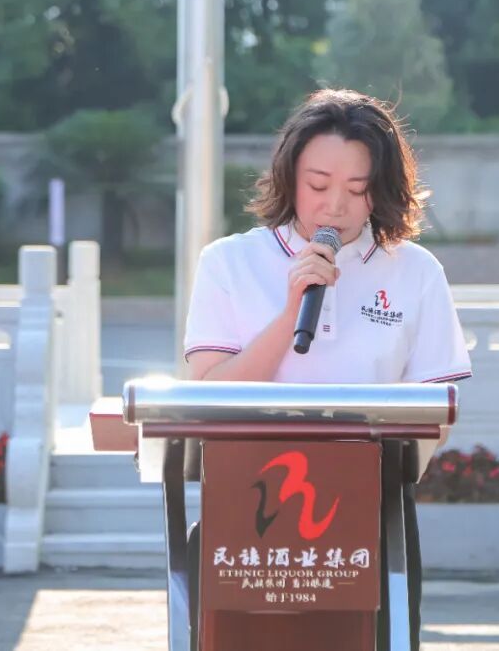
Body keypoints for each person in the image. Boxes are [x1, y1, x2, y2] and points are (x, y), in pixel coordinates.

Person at [183, 88, 471, 649]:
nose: (335, 206)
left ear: (381, 191)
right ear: (288, 177)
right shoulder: (229, 262)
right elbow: (209, 392)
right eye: (318, 185)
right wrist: (291, 309)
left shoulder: (415, 272)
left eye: (357, 189)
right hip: (246, 514)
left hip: (372, 518)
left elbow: (436, 413)